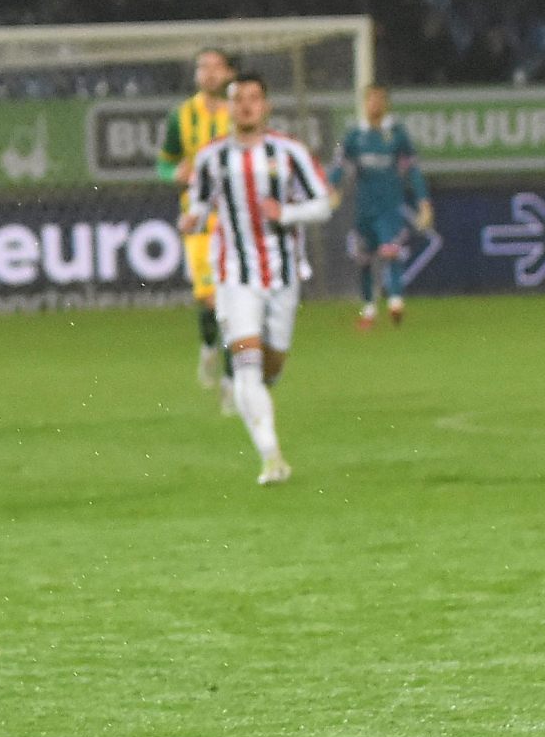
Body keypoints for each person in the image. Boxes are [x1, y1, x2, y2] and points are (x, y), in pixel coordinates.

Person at [179, 73, 333, 486]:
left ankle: (253, 395)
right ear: (228, 108)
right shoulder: (211, 157)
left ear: (265, 106)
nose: (245, 106)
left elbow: (324, 203)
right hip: (233, 275)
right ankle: (272, 457)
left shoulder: (289, 153)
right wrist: (191, 219)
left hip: (282, 274)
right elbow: (197, 205)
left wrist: (288, 214)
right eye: (237, 99)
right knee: (247, 368)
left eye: (253, 98)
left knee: (271, 368)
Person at [157, 47, 237, 413]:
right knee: (210, 301)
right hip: (199, 222)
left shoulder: (241, 113)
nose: (207, 73)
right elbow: (163, 166)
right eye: (202, 67)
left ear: (228, 73)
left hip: (237, 221)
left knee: (236, 303)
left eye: (214, 67)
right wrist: (174, 174)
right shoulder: (182, 117)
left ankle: (230, 384)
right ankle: (208, 350)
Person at [328, 83, 433, 329]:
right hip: (364, 207)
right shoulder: (354, 135)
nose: (375, 104)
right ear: (364, 104)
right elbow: (340, 164)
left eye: (379, 100)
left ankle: (395, 302)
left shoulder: (397, 134)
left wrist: (424, 202)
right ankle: (369, 309)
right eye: (370, 99)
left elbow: (413, 169)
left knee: (390, 251)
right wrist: (333, 189)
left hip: (390, 206)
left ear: (386, 104)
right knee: (363, 258)